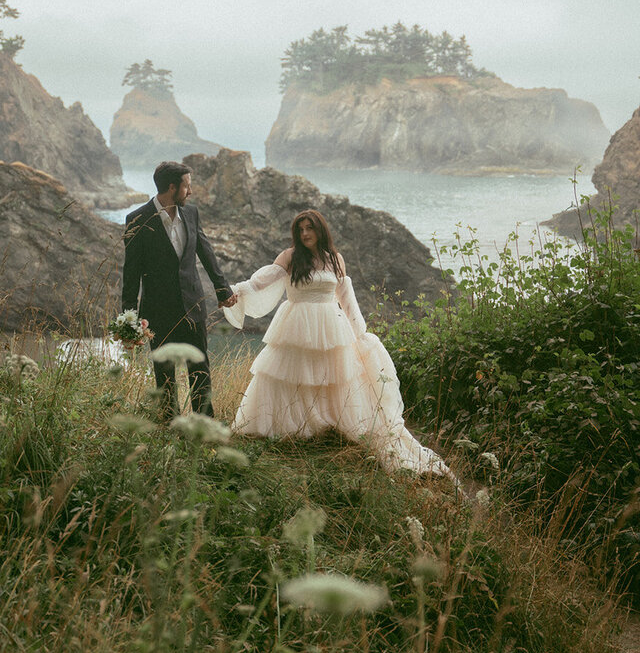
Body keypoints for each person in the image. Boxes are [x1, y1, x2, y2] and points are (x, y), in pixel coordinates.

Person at [222, 209, 452, 476]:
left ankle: (323, 427)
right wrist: (233, 291)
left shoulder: (335, 259)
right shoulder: (290, 257)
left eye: (310, 228)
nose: (305, 234)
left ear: (321, 230)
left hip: (331, 325)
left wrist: (361, 334)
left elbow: (346, 296)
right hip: (296, 324)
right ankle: (290, 429)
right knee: (292, 376)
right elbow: (260, 282)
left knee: (328, 378)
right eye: (301, 230)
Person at [122, 161, 237, 419]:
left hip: (193, 306)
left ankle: (204, 426)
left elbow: (206, 253)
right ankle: (168, 427)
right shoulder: (137, 219)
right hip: (157, 311)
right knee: (164, 377)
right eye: (187, 185)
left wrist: (223, 290)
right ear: (172, 187)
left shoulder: (191, 213)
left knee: (200, 370)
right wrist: (128, 322)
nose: (191, 191)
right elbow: (130, 275)